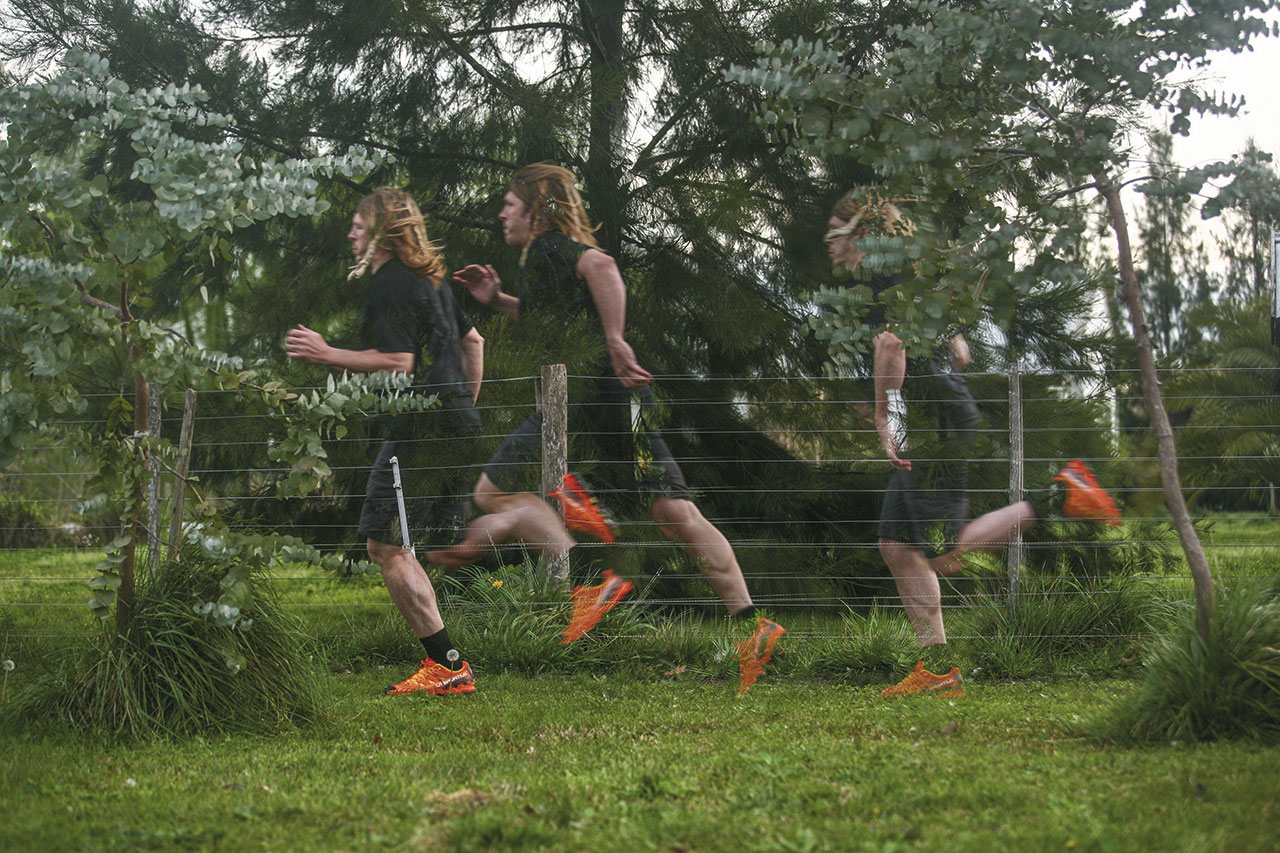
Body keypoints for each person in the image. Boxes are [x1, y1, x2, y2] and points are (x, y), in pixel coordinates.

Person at [430, 162, 785, 693]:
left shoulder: (553, 247)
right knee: (673, 513)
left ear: (535, 208)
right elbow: (565, 314)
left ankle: (594, 574)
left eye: (509, 203)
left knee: (493, 492)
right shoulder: (541, 260)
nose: (502, 212)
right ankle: (751, 628)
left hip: (592, 398)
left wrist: (617, 340)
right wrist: (501, 301)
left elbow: (602, 266)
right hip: (600, 400)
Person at [824, 187, 1122, 698]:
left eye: (835, 234)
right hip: (937, 413)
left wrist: (885, 416)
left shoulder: (882, 280)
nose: (830, 246)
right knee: (897, 546)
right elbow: (958, 351)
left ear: (864, 234)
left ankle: (1058, 496)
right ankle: (936, 673)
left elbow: (893, 345)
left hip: (930, 423)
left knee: (945, 552)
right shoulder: (910, 278)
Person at [286, 187, 484, 697]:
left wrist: (326, 353)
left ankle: (448, 667)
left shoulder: (391, 282)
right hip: (452, 425)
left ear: (381, 232)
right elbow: (474, 342)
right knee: (405, 545)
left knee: (386, 546)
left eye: (357, 225)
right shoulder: (431, 280)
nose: (350, 234)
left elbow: (399, 363)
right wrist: (462, 405)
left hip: (419, 430)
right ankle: (449, 663)